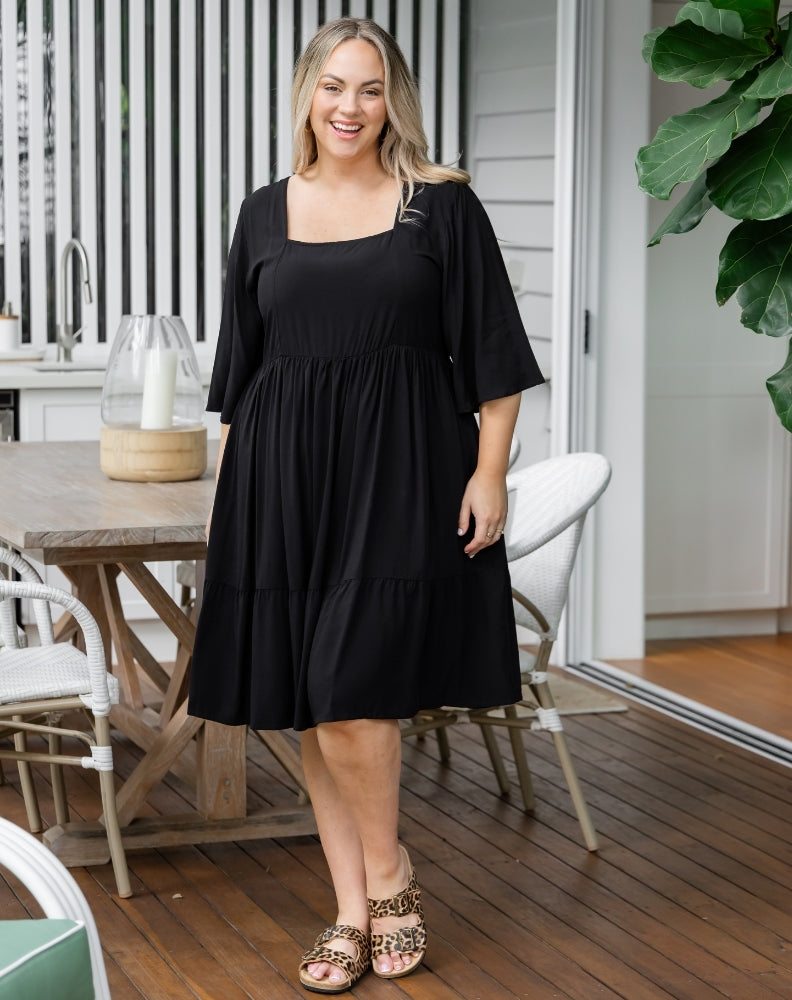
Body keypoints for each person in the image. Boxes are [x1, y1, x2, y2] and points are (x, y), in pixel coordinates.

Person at [188, 16, 544, 995]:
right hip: (280, 480)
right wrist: (228, 501)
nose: (351, 107)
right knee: (315, 700)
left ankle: (390, 879)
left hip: (401, 473)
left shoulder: (440, 208)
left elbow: (496, 357)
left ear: (395, 101)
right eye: (335, 86)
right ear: (307, 93)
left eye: (372, 88)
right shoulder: (264, 213)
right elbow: (240, 377)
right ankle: (350, 910)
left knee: (351, 684)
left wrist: (489, 473)